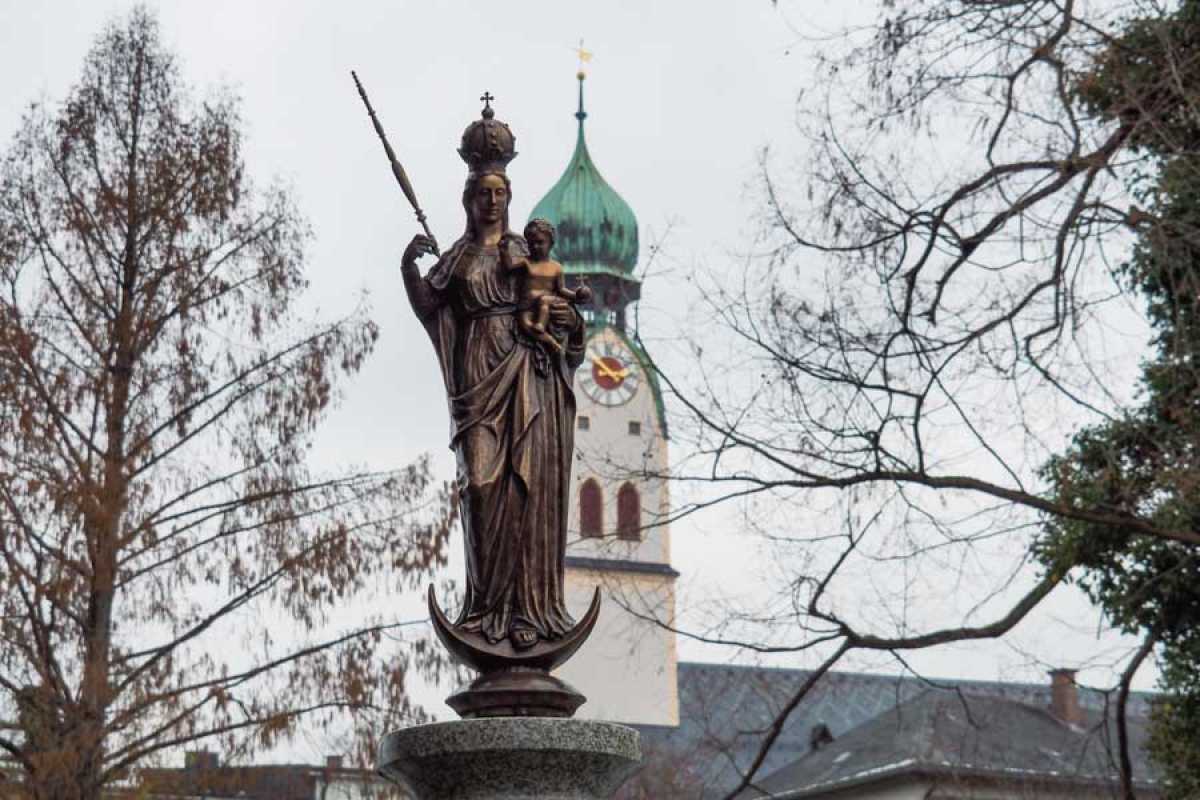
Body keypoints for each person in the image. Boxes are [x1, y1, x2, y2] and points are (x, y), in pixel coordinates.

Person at [400, 126, 586, 650]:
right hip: (476, 378)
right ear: (468, 199)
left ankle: (528, 612)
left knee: (525, 490)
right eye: (483, 193)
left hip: (527, 374)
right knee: (480, 486)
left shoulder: (523, 252)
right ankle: (486, 611)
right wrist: (408, 264)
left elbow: (560, 309)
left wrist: (567, 321)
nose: (492, 201)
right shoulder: (457, 258)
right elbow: (428, 305)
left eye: (500, 194)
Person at [501, 218, 592, 354]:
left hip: (546, 305)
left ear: (551, 243)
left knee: (545, 300)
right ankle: (549, 341)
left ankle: (541, 325)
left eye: (540, 242)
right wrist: (504, 250)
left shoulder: (556, 267)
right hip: (526, 307)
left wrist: (575, 296)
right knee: (525, 325)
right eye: (531, 244)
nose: (535, 247)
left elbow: (560, 289)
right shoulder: (526, 263)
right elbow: (509, 266)